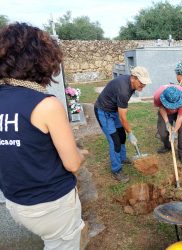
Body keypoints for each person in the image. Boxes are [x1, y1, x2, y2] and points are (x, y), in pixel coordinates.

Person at [0, 23, 85, 249]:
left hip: (15, 202)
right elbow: (73, 163)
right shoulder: (45, 104)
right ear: (42, 59)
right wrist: (79, 153)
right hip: (51, 204)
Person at [94, 66, 151, 183]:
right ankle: (116, 170)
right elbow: (123, 117)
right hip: (104, 112)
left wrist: (126, 133)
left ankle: (123, 158)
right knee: (115, 141)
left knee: (121, 136)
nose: (143, 86)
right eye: (141, 83)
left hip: (114, 110)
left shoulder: (130, 83)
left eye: (144, 83)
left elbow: (120, 112)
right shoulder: (124, 90)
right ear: (133, 78)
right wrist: (131, 133)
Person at [154, 85, 182, 166]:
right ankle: (167, 146)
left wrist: (174, 132)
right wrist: (167, 122)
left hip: (179, 112)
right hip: (165, 112)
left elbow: (180, 117)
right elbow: (161, 108)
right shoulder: (158, 95)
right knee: (162, 131)